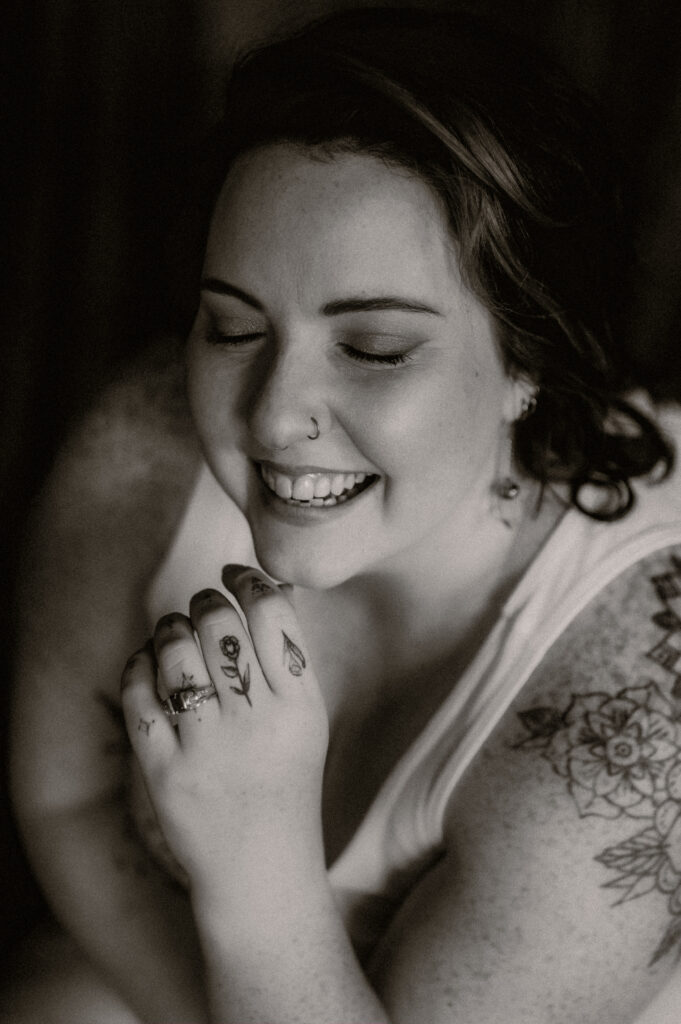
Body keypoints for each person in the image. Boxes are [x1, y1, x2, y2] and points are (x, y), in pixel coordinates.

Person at [5, 7, 681, 1022]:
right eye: (234, 325)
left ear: (526, 363)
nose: (273, 415)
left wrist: (255, 861)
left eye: (372, 348)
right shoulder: (141, 447)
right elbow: (67, 797)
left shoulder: (631, 726)